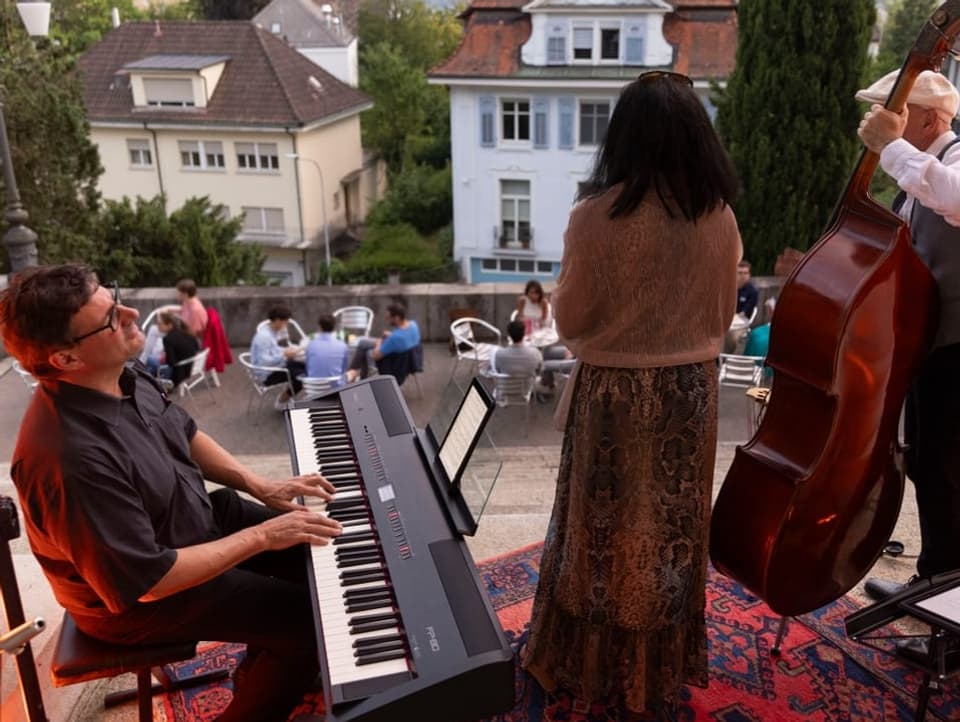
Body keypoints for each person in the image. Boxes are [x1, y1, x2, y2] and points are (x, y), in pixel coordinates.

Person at [0, 264, 342, 722]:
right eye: (110, 319)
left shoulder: (119, 371)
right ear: (65, 359)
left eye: (114, 295)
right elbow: (151, 582)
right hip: (141, 601)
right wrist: (262, 537)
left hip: (189, 525)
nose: (130, 313)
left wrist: (258, 484)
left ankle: (268, 664)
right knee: (306, 622)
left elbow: (184, 432)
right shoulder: (69, 461)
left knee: (317, 551)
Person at [521, 71, 741, 720]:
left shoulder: (594, 219)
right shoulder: (720, 219)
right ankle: (659, 670)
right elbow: (724, 312)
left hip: (614, 400)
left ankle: (589, 661)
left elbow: (574, 321)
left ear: (622, 137)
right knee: (671, 538)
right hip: (689, 398)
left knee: (598, 538)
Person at [855, 71, 960, 633]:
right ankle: (935, 580)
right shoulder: (921, 177)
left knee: (946, 471)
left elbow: (953, 196)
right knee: (927, 463)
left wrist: (889, 148)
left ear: (925, 118)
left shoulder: (954, 162)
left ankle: (950, 606)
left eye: (893, 112)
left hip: (957, 348)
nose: (882, 121)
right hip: (933, 343)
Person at [250, 305, 308, 406]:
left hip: (275, 366)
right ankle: (282, 401)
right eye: (285, 322)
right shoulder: (264, 337)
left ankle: (287, 397)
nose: (286, 325)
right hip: (266, 374)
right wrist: (284, 354)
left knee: (307, 367)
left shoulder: (271, 331)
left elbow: (273, 350)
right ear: (277, 320)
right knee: (301, 378)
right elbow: (265, 361)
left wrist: (286, 350)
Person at [347, 303, 421, 382]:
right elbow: (404, 337)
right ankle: (353, 373)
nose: (387, 320)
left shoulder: (394, 338)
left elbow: (375, 355)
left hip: (393, 367)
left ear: (396, 318)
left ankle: (361, 378)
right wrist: (391, 335)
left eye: (388, 318)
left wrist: (380, 341)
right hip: (410, 361)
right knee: (363, 342)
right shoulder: (413, 325)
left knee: (368, 353)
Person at [305, 313, 350, 387]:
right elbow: (344, 370)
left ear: (319, 327)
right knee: (352, 373)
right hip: (336, 389)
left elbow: (308, 369)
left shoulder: (310, 345)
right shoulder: (343, 346)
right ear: (334, 327)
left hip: (314, 389)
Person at [159, 311, 201, 386]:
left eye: (160, 324)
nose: (158, 326)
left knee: (150, 361)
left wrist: (164, 357)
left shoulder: (167, 339)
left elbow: (171, 362)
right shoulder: (187, 332)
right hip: (192, 368)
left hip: (180, 374)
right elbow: (197, 347)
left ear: (169, 325)